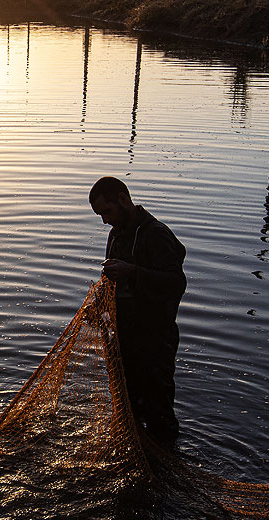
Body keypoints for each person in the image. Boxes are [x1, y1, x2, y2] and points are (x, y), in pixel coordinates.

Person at [89, 177, 186, 445]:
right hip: (124, 339)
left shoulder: (156, 235)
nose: (104, 221)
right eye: (100, 215)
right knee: (128, 408)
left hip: (155, 341)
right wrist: (98, 305)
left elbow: (176, 283)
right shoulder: (116, 234)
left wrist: (132, 272)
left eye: (106, 212)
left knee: (158, 414)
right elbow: (111, 282)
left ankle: (166, 465)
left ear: (123, 199)